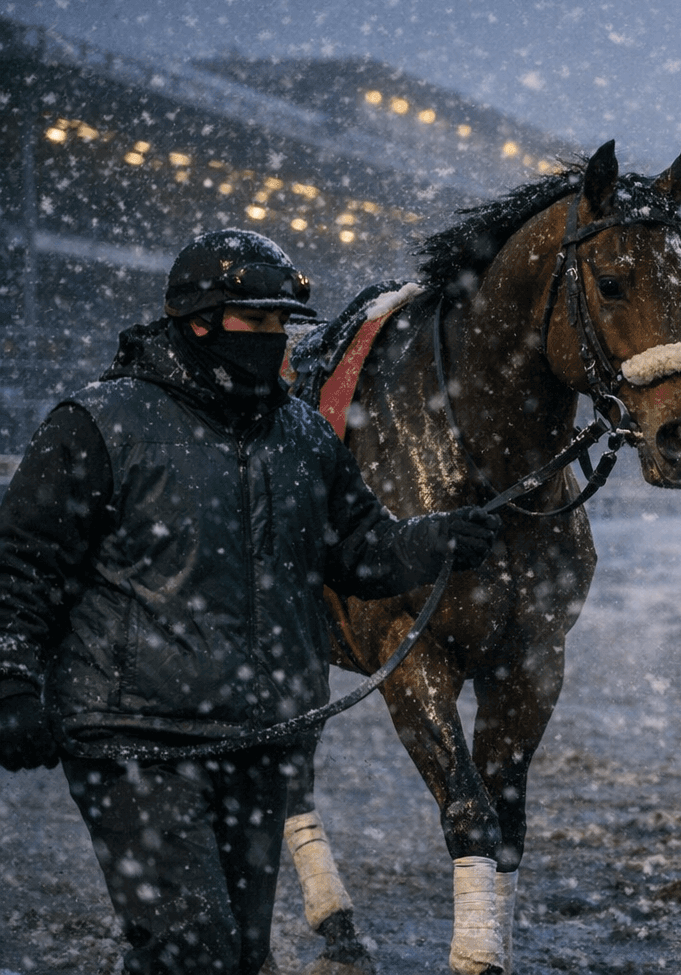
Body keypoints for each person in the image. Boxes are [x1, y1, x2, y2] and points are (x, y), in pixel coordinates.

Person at [0, 230, 501, 975]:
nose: (274, 340)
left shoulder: (303, 435)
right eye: (256, 323)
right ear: (198, 320)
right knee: (189, 951)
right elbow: (22, 567)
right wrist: (10, 678)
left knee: (236, 955)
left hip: (263, 742)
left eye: (280, 325)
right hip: (134, 742)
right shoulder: (98, 423)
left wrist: (434, 541)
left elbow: (361, 553)